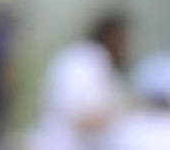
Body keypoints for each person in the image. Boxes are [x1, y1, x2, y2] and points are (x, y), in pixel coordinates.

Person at [27, 11, 131, 150]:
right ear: (112, 37)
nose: (126, 49)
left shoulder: (100, 66)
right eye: (123, 41)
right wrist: (126, 112)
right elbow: (83, 118)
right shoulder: (84, 63)